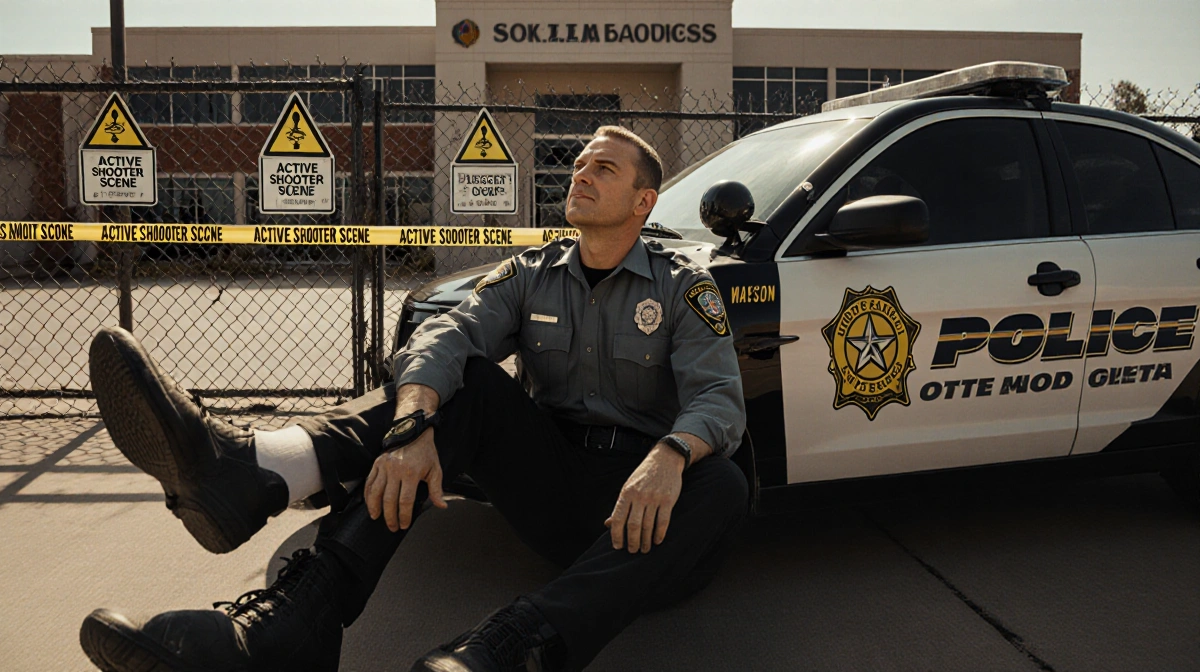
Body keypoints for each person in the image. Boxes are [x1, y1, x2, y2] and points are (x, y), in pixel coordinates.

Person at [78, 125, 748, 672]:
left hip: (649, 519)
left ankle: (512, 649)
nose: (580, 175)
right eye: (579, 164)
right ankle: (287, 604)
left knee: (721, 480)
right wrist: (411, 426)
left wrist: (668, 456)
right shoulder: (532, 272)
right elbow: (448, 333)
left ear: (643, 201)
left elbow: (719, 399)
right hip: (556, 484)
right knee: (465, 383)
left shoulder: (683, 285)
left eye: (603, 168)